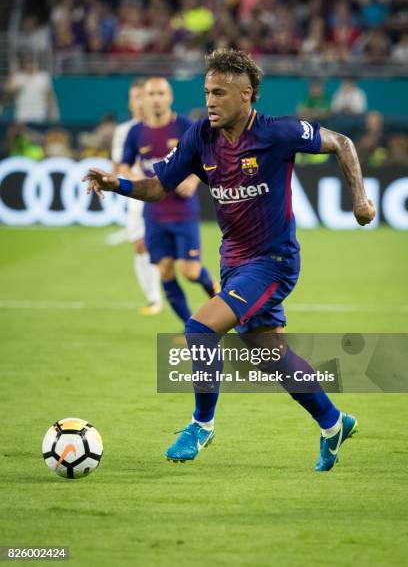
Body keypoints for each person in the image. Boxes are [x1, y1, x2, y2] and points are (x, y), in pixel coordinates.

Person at [84, 49, 375, 472]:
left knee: (201, 327)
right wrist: (117, 184)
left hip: (274, 261)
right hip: (234, 262)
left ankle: (201, 425)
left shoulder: (279, 133)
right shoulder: (200, 137)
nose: (211, 100)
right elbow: (159, 186)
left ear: (247, 95)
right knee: (270, 354)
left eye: (220, 92)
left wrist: (361, 200)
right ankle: (333, 424)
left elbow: (343, 143)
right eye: (207, 92)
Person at [119, 77, 219, 327]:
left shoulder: (186, 126)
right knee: (164, 270)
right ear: (144, 98)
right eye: (151, 94)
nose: (155, 98)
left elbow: (209, 156)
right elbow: (123, 164)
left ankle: (221, 299)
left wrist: (195, 179)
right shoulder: (135, 132)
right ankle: (192, 329)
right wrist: (135, 179)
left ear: (170, 97)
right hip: (153, 213)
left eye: (160, 93)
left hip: (182, 211)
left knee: (190, 271)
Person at [110, 79, 162, 315]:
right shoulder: (124, 131)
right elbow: (119, 165)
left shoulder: (163, 127)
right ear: (131, 103)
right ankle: (153, 298)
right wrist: (132, 176)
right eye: (136, 98)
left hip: (163, 193)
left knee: (166, 248)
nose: (141, 102)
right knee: (140, 245)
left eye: (144, 96)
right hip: (137, 194)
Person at [4, 56, 60, 123]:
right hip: (22, 113)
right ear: (24, 65)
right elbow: (9, 89)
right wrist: (13, 72)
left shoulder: (43, 77)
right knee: (22, 133)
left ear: (36, 64)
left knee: (37, 132)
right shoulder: (19, 77)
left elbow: (49, 95)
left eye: (32, 63)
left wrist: (53, 112)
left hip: (39, 112)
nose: (30, 66)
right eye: (27, 64)